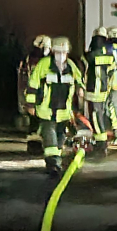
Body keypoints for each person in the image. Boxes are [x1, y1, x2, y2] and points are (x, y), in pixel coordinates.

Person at [27, 36, 83, 175]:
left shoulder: (71, 66)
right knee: (50, 137)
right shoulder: (44, 65)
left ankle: (56, 160)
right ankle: (53, 164)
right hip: (46, 110)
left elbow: (78, 79)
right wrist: (30, 104)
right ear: (53, 52)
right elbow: (33, 84)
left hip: (63, 112)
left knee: (59, 139)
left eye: (63, 53)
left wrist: (80, 89)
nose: (61, 55)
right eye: (58, 52)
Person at [82, 27, 115, 155]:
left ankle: (101, 145)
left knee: (95, 117)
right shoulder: (109, 52)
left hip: (93, 89)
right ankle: (101, 142)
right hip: (104, 88)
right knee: (100, 115)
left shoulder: (92, 53)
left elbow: (85, 64)